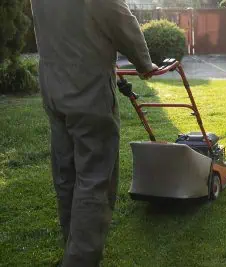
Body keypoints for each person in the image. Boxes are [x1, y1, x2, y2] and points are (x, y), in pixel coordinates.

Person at [30, 0, 158, 266]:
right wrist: (144, 64)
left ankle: (72, 243)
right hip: (86, 87)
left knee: (66, 174)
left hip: (53, 86)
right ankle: (80, 260)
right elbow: (119, 18)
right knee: (95, 177)